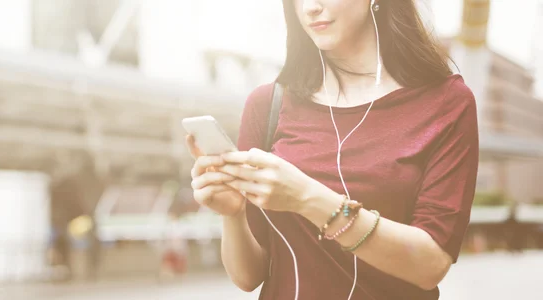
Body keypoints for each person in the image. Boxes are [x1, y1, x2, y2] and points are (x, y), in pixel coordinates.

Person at [186, 0, 479, 299]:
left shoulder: (446, 104)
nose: (310, 7)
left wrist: (306, 198)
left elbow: (430, 264)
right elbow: (249, 277)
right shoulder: (268, 104)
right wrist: (233, 215)